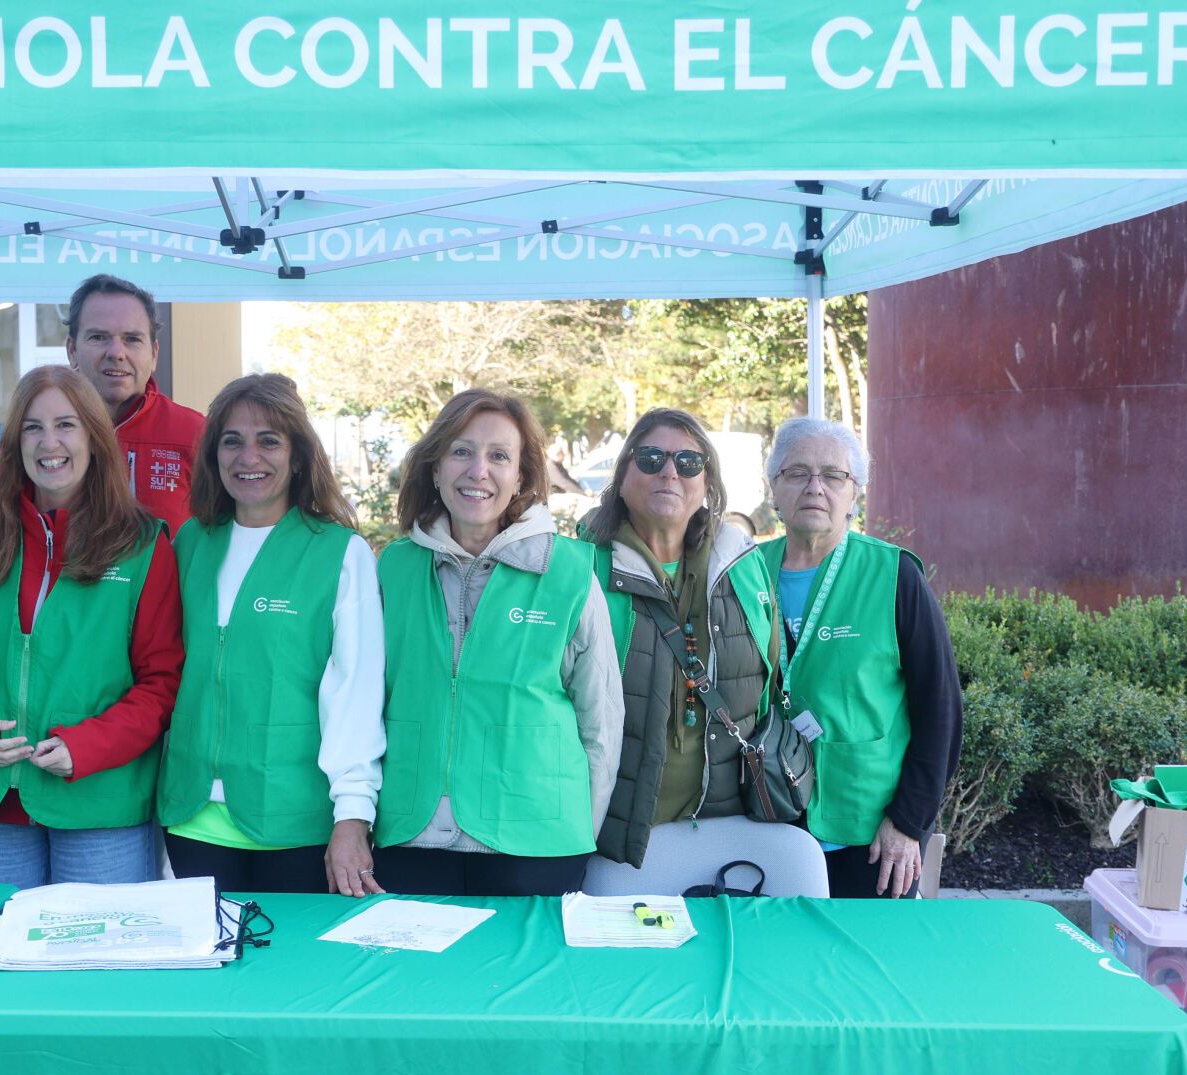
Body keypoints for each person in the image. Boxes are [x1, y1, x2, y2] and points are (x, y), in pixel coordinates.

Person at [0, 365, 182, 890]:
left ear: (95, 438)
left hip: (101, 802)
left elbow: (163, 681)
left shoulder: (144, 543)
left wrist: (90, 745)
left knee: (98, 967)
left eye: (66, 425)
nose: (49, 442)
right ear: (14, 442)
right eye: (33, 427)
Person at [373, 389, 624, 896]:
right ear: (435, 467)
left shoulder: (571, 571)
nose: (478, 470)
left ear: (522, 478)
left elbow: (601, 719)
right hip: (411, 834)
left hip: (536, 842)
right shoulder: (393, 567)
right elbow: (365, 704)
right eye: (461, 451)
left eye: (499, 456)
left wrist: (577, 832)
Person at [157, 373, 385, 896]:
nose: (248, 457)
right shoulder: (192, 541)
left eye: (269, 441)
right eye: (231, 441)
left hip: (295, 821)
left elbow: (356, 691)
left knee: (291, 976)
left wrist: (352, 815)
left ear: (299, 456)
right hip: (192, 818)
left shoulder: (338, 552)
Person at [760, 417, 962, 898]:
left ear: (855, 495)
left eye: (833, 475)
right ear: (774, 489)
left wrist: (909, 822)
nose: (815, 487)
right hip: (769, 821)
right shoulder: (745, 573)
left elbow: (941, 712)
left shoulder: (895, 576)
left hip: (871, 835)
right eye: (797, 473)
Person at [580, 408, 779, 879]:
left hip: (728, 825)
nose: (670, 471)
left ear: (706, 481)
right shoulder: (581, 567)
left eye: (689, 462)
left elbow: (771, 680)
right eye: (651, 458)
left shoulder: (742, 564)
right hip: (611, 834)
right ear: (623, 476)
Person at [65, 273, 205, 528]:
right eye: (98, 337)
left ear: (153, 354)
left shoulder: (196, 435)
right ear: (72, 350)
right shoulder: (42, 436)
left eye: (132, 339)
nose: (117, 353)